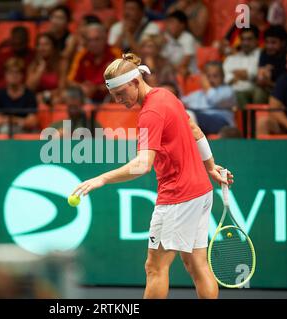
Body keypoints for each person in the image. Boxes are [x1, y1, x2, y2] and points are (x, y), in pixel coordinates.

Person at [72, 53, 233, 299]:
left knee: (155, 268)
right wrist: (210, 167)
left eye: (121, 93)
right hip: (200, 191)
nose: (118, 101)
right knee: (196, 264)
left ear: (135, 82)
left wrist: (102, 178)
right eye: (114, 96)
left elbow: (142, 164)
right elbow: (196, 130)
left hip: (178, 197)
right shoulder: (166, 95)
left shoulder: (149, 114)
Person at [67, 23, 122, 103]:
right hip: (85, 97)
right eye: (90, 40)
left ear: (105, 39)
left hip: (109, 95)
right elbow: (70, 81)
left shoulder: (115, 53)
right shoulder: (81, 55)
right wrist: (82, 87)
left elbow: (122, 81)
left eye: (97, 39)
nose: (93, 44)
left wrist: (97, 88)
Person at [0, 58, 38, 135]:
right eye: (10, 72)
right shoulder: (0, 94)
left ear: (22, 75)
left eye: (17, 72)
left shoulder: (29, 95)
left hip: (23, 128)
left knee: (5, 130)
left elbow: (32, 121)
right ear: (5, 75)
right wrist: (15, 120)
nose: (14, 76)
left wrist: (12, 120)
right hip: (3, 125)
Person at [181, 61, 237, 135]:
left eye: (215, 76)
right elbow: (180, 102)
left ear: (223, 77)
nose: (211, 80)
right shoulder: (197, 94)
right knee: (184, 114)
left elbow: (214, 100)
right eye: (208, 76)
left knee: (190, 116)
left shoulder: (228, 91)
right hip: (199, 121)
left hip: (222, 123)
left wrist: (207, 87)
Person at [223, 25, 261, 109]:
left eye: (249, 39)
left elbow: (252, 74)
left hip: (251, 89)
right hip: (234, 90)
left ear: (256, 40)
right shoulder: (232, 58)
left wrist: (236, 74)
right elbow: (225, 76)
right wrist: (235, 77)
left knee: (238, 94)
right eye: (243, 39)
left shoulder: (261, 55)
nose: (245, 43)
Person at [0, 26, 35, 91]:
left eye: (21, 40)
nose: (18, 41)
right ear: (11, 40)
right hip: (3, 93)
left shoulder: (34, 56)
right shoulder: (1, 56)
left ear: (27, 40)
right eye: (15, 39)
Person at [26, 33, 65, 105]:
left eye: (46, 44)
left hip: (55, 99)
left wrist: (46, 94)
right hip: (37, 101)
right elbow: (29, 88)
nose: (42, 48)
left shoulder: (61, 63)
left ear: (53, 47)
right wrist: (41, 68)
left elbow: (62, 88)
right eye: (39, 45)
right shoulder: (33, 65)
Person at [255, 25, 287, 104]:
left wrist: (269, 83)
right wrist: (261, 79)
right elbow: (260, 78)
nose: (269, 46)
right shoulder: (264, 54)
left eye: (273, 42)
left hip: (286, 92)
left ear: (283, 43)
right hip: (270, 88)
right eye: (267, 42)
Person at [160, 10, 198, 76]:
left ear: (182, 25)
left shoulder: (188, 38)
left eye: (172, 22)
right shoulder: (166, 37)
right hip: (172, 71)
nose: (169, 25)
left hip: (189, 74)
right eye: (168, 22)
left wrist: (169, 67)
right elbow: (162, 59)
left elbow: (185, 63)